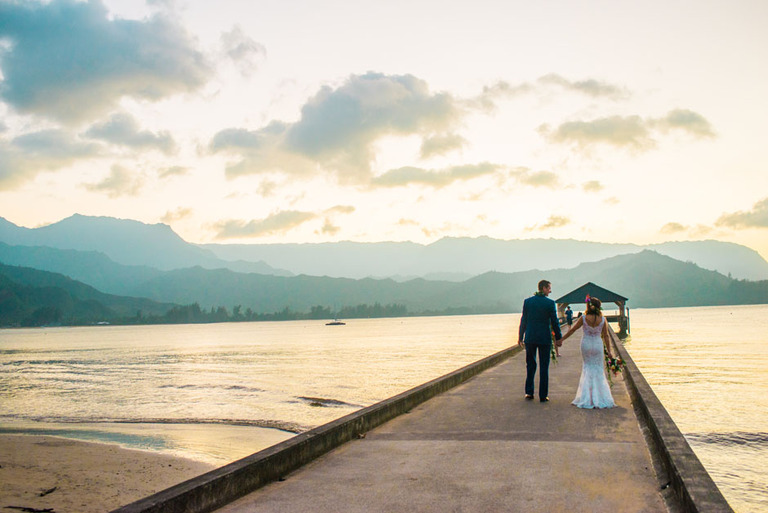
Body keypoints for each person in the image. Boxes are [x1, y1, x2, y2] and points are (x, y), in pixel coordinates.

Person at [559, 295, 616, 409]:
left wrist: (562, 339)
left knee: (587, 368)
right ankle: (600, 397)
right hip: (597, 345)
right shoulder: (603, 319)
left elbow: (573, 329)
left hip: (586, 344)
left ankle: (588, 397)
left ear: (589, 306)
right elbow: (606, 336)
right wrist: (609, 351)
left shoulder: (584, 318)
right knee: (598, 369)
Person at [518, 280, 562, 402]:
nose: (550, 291)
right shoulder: (550, 303)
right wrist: (558, 337)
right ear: (543, 288)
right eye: (549, 288)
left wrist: (520, 337)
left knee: (530, 365)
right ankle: (543, 395)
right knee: (544, 366)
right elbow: (555, 322)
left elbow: (524, 321)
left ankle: (529, 392)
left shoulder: (528, 302)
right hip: (544, 338)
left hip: (530, 337)